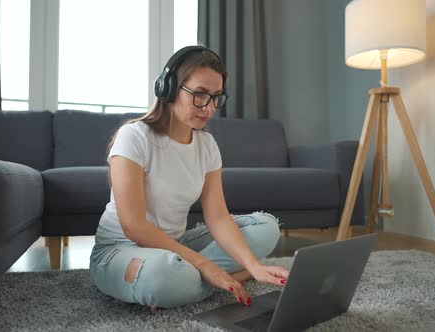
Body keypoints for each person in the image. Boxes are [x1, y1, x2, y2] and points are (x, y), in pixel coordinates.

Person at [89, 45, 289, 311]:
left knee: (266, 227)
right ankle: (198, 279)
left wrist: (255, 266)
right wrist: (205, 265)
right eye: (200, 94)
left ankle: (191, 281)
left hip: (177, 245)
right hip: (120, 249)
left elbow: (217, 216)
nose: (209, 107)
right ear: (169, 89)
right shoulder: (134, 137)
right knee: (162, 277)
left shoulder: (207, 145)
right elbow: (133, 226)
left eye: (216, 97)